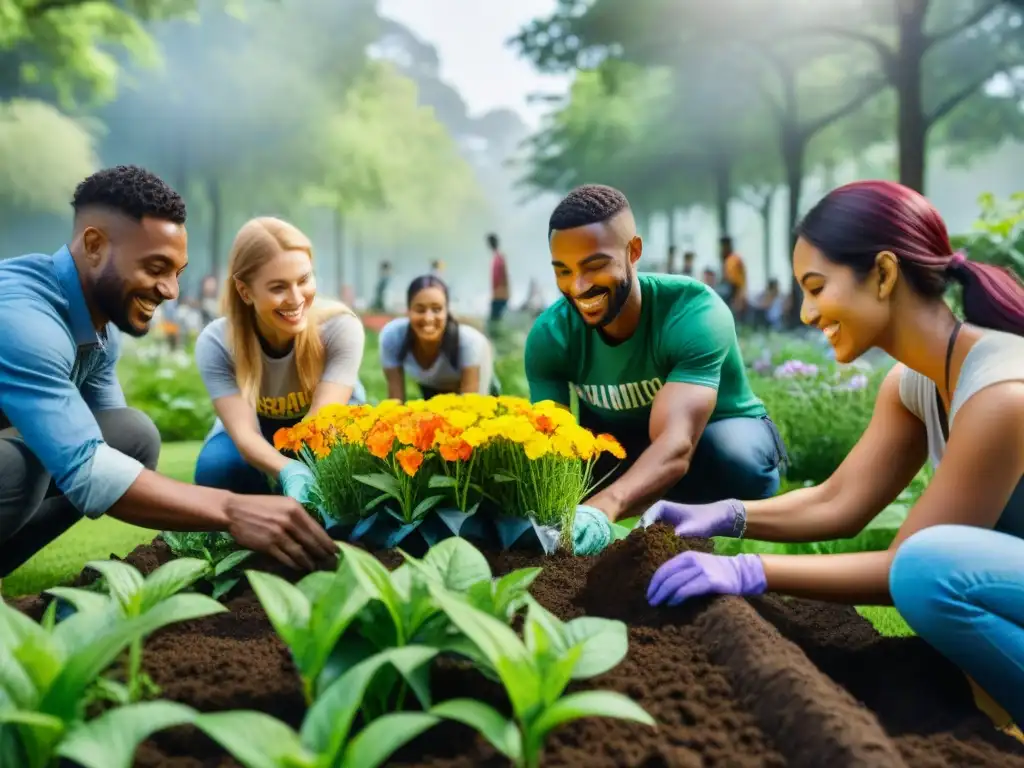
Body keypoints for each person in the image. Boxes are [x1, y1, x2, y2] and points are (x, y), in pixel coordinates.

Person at [643, 180, 1024, 727]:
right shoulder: (913, 385)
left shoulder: (1001, 393)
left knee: (927, 568)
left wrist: (749, 570)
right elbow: (840, 501)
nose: (804, 313)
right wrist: (729, 514)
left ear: (885, 275)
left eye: (817, 287)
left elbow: (905, 568)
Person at [0, 166, 336, 578]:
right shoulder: (24, 318)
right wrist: (232, 510)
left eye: (176, 273)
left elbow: (113, 455)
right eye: (155, 268)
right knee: (20, 471)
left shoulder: (100, 329)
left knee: (132, 435)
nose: (171, 291)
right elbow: (87, 468)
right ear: (94, 246)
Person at [525, 184, 786, 525]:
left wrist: (603, 508)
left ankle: (731, 508)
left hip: (711, 430)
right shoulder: (550, 335)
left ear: (633, 251)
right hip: (622, 441)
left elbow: (677, 444)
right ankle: (643, 496)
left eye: (595, 265)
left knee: (734, 455)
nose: (578, 286)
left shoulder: (693, 312)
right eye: (564, 271)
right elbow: (551, 446)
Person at [193, 217, 367, 504]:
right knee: (217, 470)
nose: (296, 298)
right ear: (245, 291)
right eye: (278, 288)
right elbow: (246, 435)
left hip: (327, 423)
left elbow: (321, 423)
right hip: (259, 427)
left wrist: (300, 464)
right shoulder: (217, 343)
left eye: (304, 280)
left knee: (341, 466)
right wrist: (287, 470)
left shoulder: (340, 327)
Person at [379, 275, 496, 400]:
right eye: (420, 310)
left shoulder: (469, 342)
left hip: (475, 391)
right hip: (432, 387)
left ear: (447, 311)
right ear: (408, 311)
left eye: (437, 309)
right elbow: (395, 400)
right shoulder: (393, 336)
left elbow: (471, 405)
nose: (428, 318)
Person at [719, 236, 748, 320]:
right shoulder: (728, 259)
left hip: (734, 292)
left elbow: (736, 282)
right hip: (733, 292)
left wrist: (739, 297)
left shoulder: (733, 260)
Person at [487, 233, 510, 329]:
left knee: (495, 319)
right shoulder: (496, 257)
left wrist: (506, 292)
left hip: (500, 294)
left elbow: (504, 275)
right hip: (497, 293)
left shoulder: (499, 257)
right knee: (495, 318)